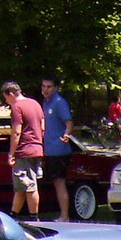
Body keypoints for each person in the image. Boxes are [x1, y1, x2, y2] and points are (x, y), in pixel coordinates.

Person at [2, 81, 45, 217]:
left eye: (6, 98)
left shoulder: (17, 106)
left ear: (11, 94)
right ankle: (13, 216)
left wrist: (11, 153)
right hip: (37, 149)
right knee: (21, 187)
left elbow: (16, 132)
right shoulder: (35, 104)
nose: (6, 101)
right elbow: (43, 127)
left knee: (30, 186)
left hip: (24, 151)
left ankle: (34, 218)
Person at [39, 75, 73, 220]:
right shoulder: (46, 103)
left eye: (49, 87)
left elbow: (69, 122)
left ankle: (65, 216)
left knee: (60, 182)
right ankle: (62, 214)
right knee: (54, 182)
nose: (46, 89)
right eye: (44, 86)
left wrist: (66, 134)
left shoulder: (59, 102)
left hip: (59, 150)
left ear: (56, 88)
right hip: (49, 149)